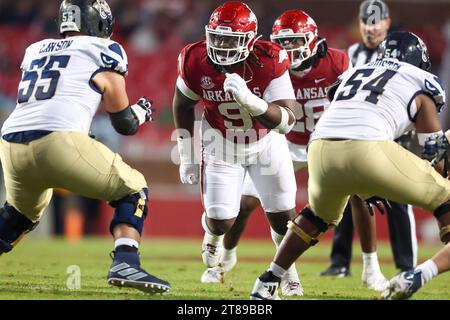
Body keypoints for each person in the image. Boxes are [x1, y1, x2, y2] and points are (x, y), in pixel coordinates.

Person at [250, 31, 448, 300]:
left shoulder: (355, 72)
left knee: (315, 217)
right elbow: (435, 155)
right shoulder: (419, 81)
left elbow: (348, 114)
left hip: (319, 149)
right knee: (445, 198)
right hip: (368, 148)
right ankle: (423, 272)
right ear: (418, 61)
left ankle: (268, 281)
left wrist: (373, 178)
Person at [0, 0, 170, 294]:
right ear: (98, 22)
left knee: (19, 214)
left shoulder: (35, 50)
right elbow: (124, 124)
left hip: (11, 142)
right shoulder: (104, 50)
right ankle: (126, 261)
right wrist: (142, 112)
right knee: (133, 188)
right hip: (57, 139)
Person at [200, 9, 355, 294]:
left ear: (311, 40)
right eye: (283, 43)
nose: (288, 49)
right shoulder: (270, 63)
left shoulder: (337, 62)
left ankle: (354, 266)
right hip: (284, 140)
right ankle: (227, 254)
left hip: (321, 141)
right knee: (245, 205)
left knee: (312, 208)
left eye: (296, 41)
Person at [173, 1, 299, 293]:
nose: (221, 44)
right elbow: (182, 104)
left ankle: (289, 272)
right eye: (217, 36)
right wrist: (186, 153)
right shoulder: (195, 59)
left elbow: (287, 121)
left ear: (251, 40)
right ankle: (213, 238)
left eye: (231, 39)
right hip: (221, 143)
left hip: (266, 141)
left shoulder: (270, 58)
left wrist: (252, 102)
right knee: (220, 221)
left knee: (283, 218)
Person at [320, 0, 418, 283]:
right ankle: (340, 262)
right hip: (360, 132)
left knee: (400, 196)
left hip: (394, 131)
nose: (370, 28)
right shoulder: (353, 52)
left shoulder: (401, 50)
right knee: (349, 195)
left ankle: (405, 265)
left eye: (376, 22)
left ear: (387, 23)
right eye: (366, 22)